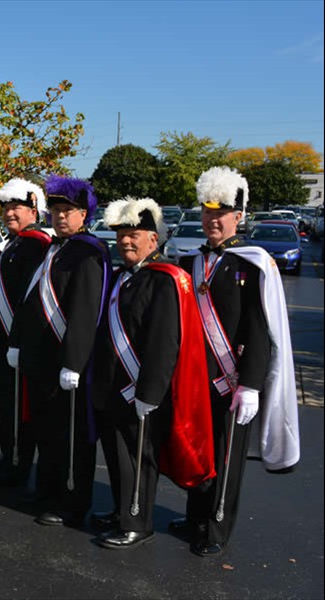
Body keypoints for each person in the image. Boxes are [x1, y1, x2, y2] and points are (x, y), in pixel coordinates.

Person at [173, 166, 300, 556]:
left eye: (222, 212)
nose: (213, 219)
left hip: (232, 381)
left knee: (226, 459)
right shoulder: (190, 261)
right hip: (196, 377)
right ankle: (195, 515)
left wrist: (250, 385)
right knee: (198, 450)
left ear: (238, 217)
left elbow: (261, 329)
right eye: (207, 211)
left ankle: (216, 528)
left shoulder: (252, 263)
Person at [92, 197, 215, 549]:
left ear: (154, 238)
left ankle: (137, 523)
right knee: (116, 457)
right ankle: (121, 510)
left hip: (140, 391)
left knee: (137, 461)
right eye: (121, 236)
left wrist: (149, 394)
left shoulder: (165, 279)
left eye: (134, 235)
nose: (126, 242)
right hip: (112, 387)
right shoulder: (121, 276)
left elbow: (165, 342)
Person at [8, 175, 111, 528]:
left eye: (68, 211)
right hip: (39, 359)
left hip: (66, 365)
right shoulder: (54, 248)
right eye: (55, 210)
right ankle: (48, 489)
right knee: (46, 432)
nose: (60, 217)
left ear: (84, 214)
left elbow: (85, 313)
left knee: (71, 438)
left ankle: (72, 500)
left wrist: (73, 363)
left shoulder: (89, 253)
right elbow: (28, 300)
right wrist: (17, 342)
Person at [0, 178, 51, 488]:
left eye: (16, 207)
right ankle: (9, 458)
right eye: (5, 208)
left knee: (16, 413)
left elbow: (27, 299)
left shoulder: (36, 243)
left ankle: (17, 466)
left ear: (33, 209)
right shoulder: (16, 242)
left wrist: (17, 341)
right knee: (4, 411)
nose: (9, 213)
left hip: (13, 344)